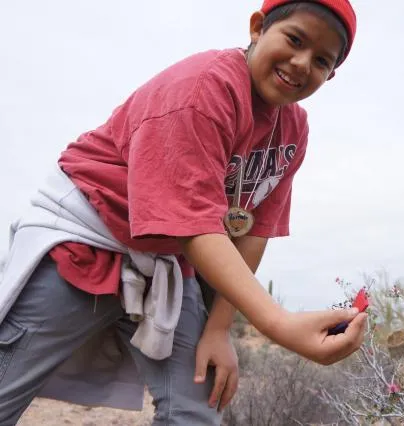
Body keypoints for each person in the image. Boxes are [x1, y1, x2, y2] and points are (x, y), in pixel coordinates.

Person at [0, 0, 367, 424]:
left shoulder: (293, 130)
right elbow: (194, 224)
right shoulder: (203, 89)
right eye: (294, 39)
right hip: (88, 238)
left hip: (168, 263)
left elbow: (251, 229)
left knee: (196, 408)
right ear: (257, 27)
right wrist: (278, 324)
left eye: (321, 60)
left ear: (332, 73)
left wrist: (219, 329)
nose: (302, 63)